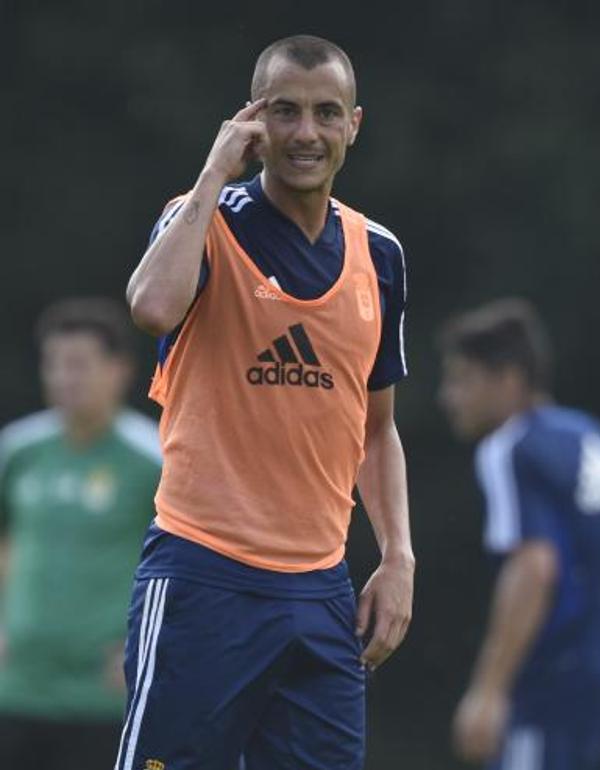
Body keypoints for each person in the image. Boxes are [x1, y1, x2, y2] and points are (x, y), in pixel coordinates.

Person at [118, 34, 414, 770]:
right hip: (202, 576)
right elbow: (152, 308)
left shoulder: (379, 254)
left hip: (320, 594)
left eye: (324, 113)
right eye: (284, 112)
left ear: (353, 125)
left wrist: (399, 555)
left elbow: (376, 430)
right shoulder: (204, 219)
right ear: (252, 120)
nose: (304, 134)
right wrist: (215, 172)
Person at [438, 299, 600, 770]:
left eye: (462, 379)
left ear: (508, 379)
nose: (448, 397)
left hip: (558, 691)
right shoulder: (595, 437)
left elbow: (534, 565)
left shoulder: (510, 447)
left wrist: (488, 690)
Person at [0, 299, 160, 770]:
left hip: (103, 691)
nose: (65, 378)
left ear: (119, 370)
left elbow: (184, 565)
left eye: (79, 365)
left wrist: (146, 647)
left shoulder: (152, 461)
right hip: (19, 685)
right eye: (54, 364)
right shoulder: (19, 450)